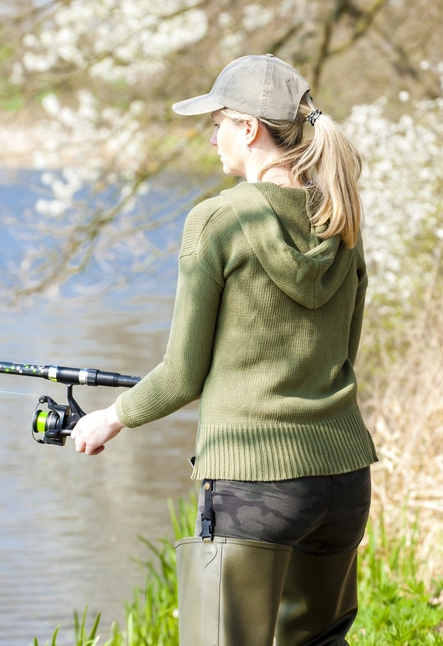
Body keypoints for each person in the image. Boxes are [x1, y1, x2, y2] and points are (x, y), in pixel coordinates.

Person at [69, 53, 379, 646]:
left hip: (254, 483)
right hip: (342, 480)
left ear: (249, 128)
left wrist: (110, 418)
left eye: (217, 121)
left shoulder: (216, 222)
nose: (211, 136)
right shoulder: (342, 223)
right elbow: (344, 356)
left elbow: (182, 374)